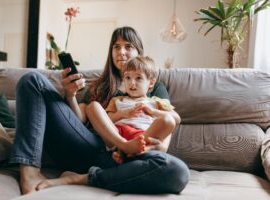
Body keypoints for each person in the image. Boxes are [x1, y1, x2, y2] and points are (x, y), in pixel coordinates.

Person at [10, 26, 189, 195]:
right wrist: (70, 94)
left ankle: (82, 178)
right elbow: (78, 121)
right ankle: (29, 172)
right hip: (89, 145)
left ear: (139, 52)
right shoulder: (99, 86)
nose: (121, 52)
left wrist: (154, 146)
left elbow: (168, 124)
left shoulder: (153, 87)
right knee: (32, 80)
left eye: (128, 46)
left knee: (177, 171)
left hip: (127, 157)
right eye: (116, 46)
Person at [95, 55, 176, 163]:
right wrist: (122, 114)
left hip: (143, 135)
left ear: (151, 83)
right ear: (123, 79)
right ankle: (128, 149)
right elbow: (107, 119)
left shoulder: (156, 101)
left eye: (138, 78)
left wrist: (153, 111)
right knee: (94, 106)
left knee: (168, 120)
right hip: (118, 135)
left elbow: (177, 118)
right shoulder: (118, 100)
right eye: (128, 77)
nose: (132, 83)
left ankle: (130, 153)